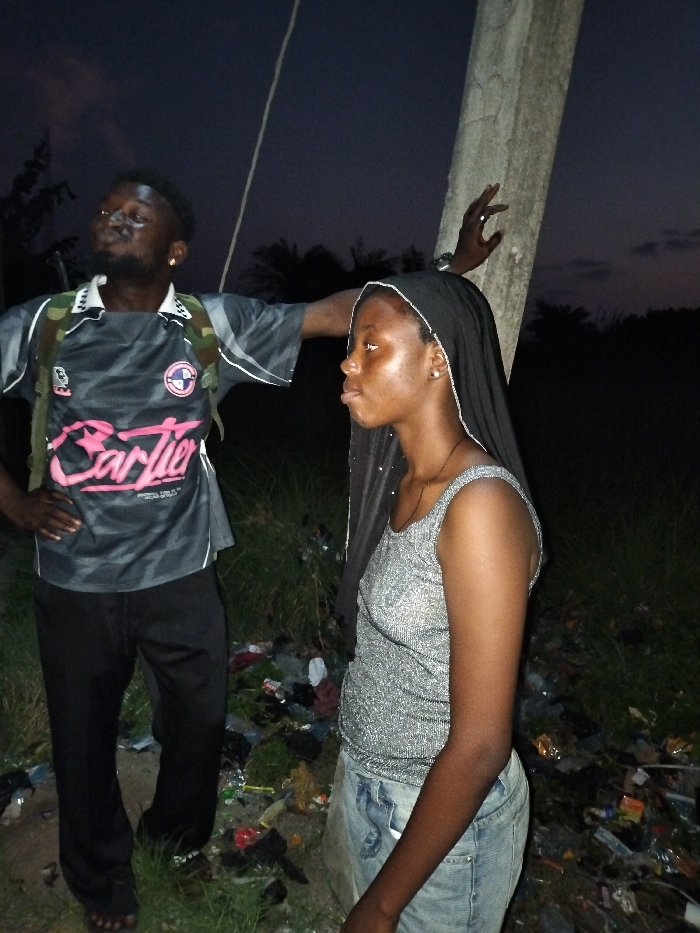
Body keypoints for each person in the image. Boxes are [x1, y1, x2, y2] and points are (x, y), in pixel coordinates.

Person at [0, 168, 503, 932]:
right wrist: (14, 504)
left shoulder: (212, 325)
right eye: (106, 210)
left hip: (181, 573)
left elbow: (336, 313)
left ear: (175, 248)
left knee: (198, 725)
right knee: (82, 734)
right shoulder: (45, 324)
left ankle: (173, 842)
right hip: (75, 577)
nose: (114, 219)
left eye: (137, 214)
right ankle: (101, 880)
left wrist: (446, 272)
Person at [322, 266, 543, 933]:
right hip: (368, 780)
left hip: (442, 828)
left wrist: (382, 905)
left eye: (371, 346)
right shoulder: (405, 476)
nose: (348, 361)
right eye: (353, 345)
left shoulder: (478, 507)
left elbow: (479, 746)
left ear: (436, 360)